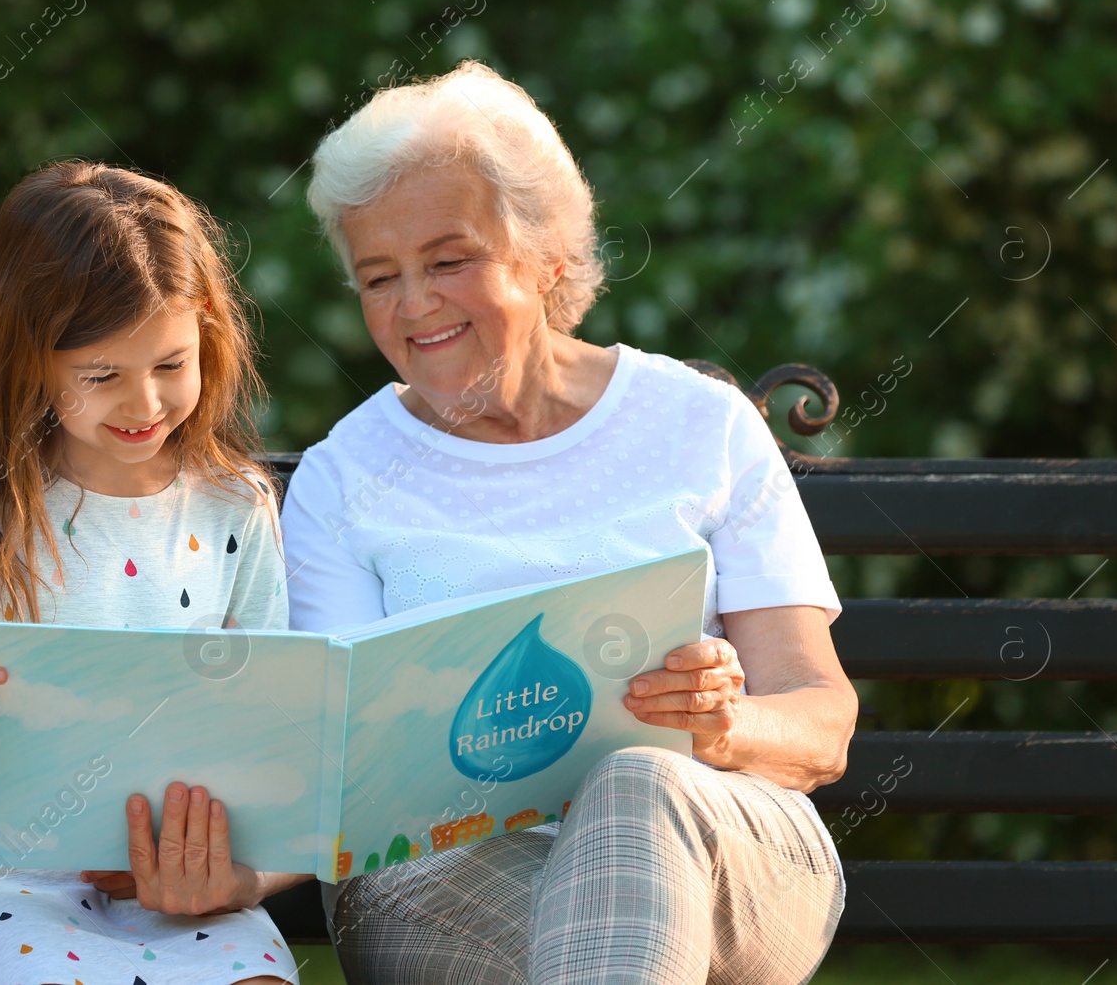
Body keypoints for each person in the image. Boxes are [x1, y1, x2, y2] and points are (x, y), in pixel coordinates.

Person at [280, 60, 858, 985]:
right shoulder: (343, 478)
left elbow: (821, 724)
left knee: (636, 782)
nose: (414, 305)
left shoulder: (699, 425)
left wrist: (723, 726)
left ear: (547, 254)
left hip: (724, 848)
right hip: (445, 871)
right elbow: (345, 769)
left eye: (449, 259)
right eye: (379, 277)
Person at [0, 161, 311, 985]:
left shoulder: (235, 509)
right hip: (4, 888)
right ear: (29, 363)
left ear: (208, 332)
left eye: (171, 364)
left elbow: (262, 736)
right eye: (102, 376)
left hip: (177, 889)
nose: (144, 404)